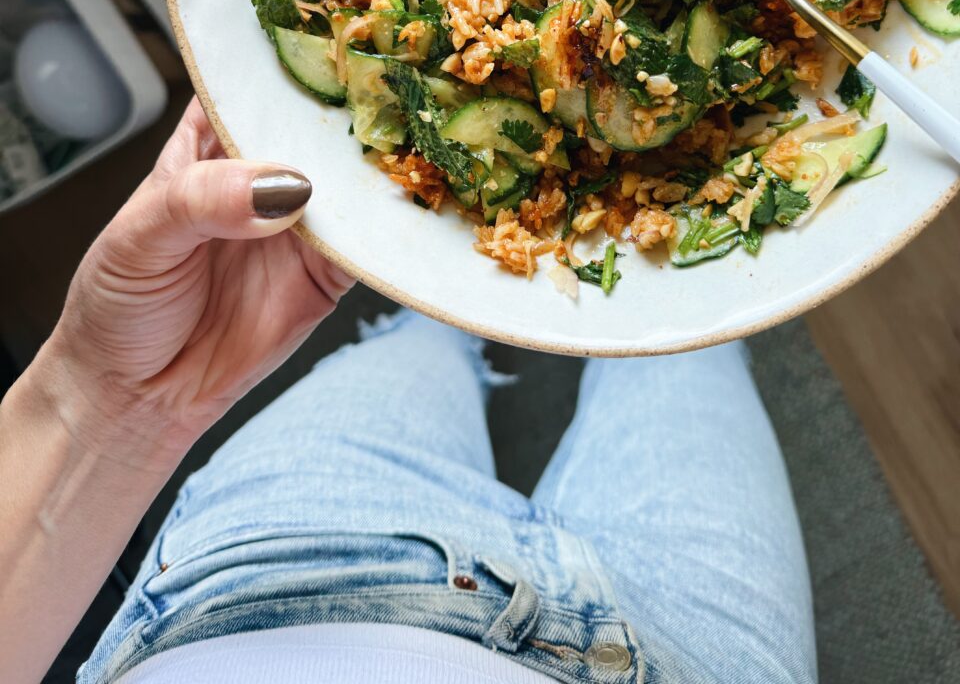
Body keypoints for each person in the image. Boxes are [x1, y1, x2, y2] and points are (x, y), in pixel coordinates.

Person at [0, 98, 817, 684]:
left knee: (418, 343)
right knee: (689, 343)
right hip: (694, 659)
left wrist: (109, 398)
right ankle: (473, 294)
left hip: (286, 568)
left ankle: (454, 299)